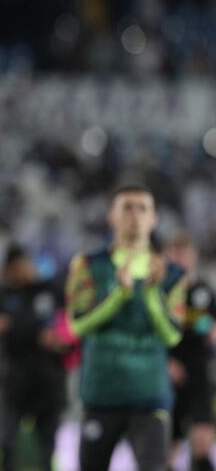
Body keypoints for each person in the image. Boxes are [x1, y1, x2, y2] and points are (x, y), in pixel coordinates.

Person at [65, 184, 187, 471]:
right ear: (112, 216)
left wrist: (151, 295)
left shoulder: (172, 274)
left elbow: (172, 335)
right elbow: (77, 325)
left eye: (142, 208)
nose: (135, 214)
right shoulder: (86, 265)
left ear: (154, 218)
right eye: (127, 207)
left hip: (150, 396)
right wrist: (118, 295)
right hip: (101, 395)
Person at [0, 246, 67, 471]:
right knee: (5, 443)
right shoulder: (4, 293)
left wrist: (61, 338)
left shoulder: (50, 290)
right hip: (14, 381)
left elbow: (70, 327)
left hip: (49, 381)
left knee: (46, 449)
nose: (20, 273)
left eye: (23, 266)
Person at [164, 231, 216, 471]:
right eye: (175, 254)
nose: (180, 260)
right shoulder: (159, 294)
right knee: (167, 450)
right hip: (167, 377)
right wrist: (165, 363)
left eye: (184, 254)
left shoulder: (204, 292)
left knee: (203, 441)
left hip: (198, 375)